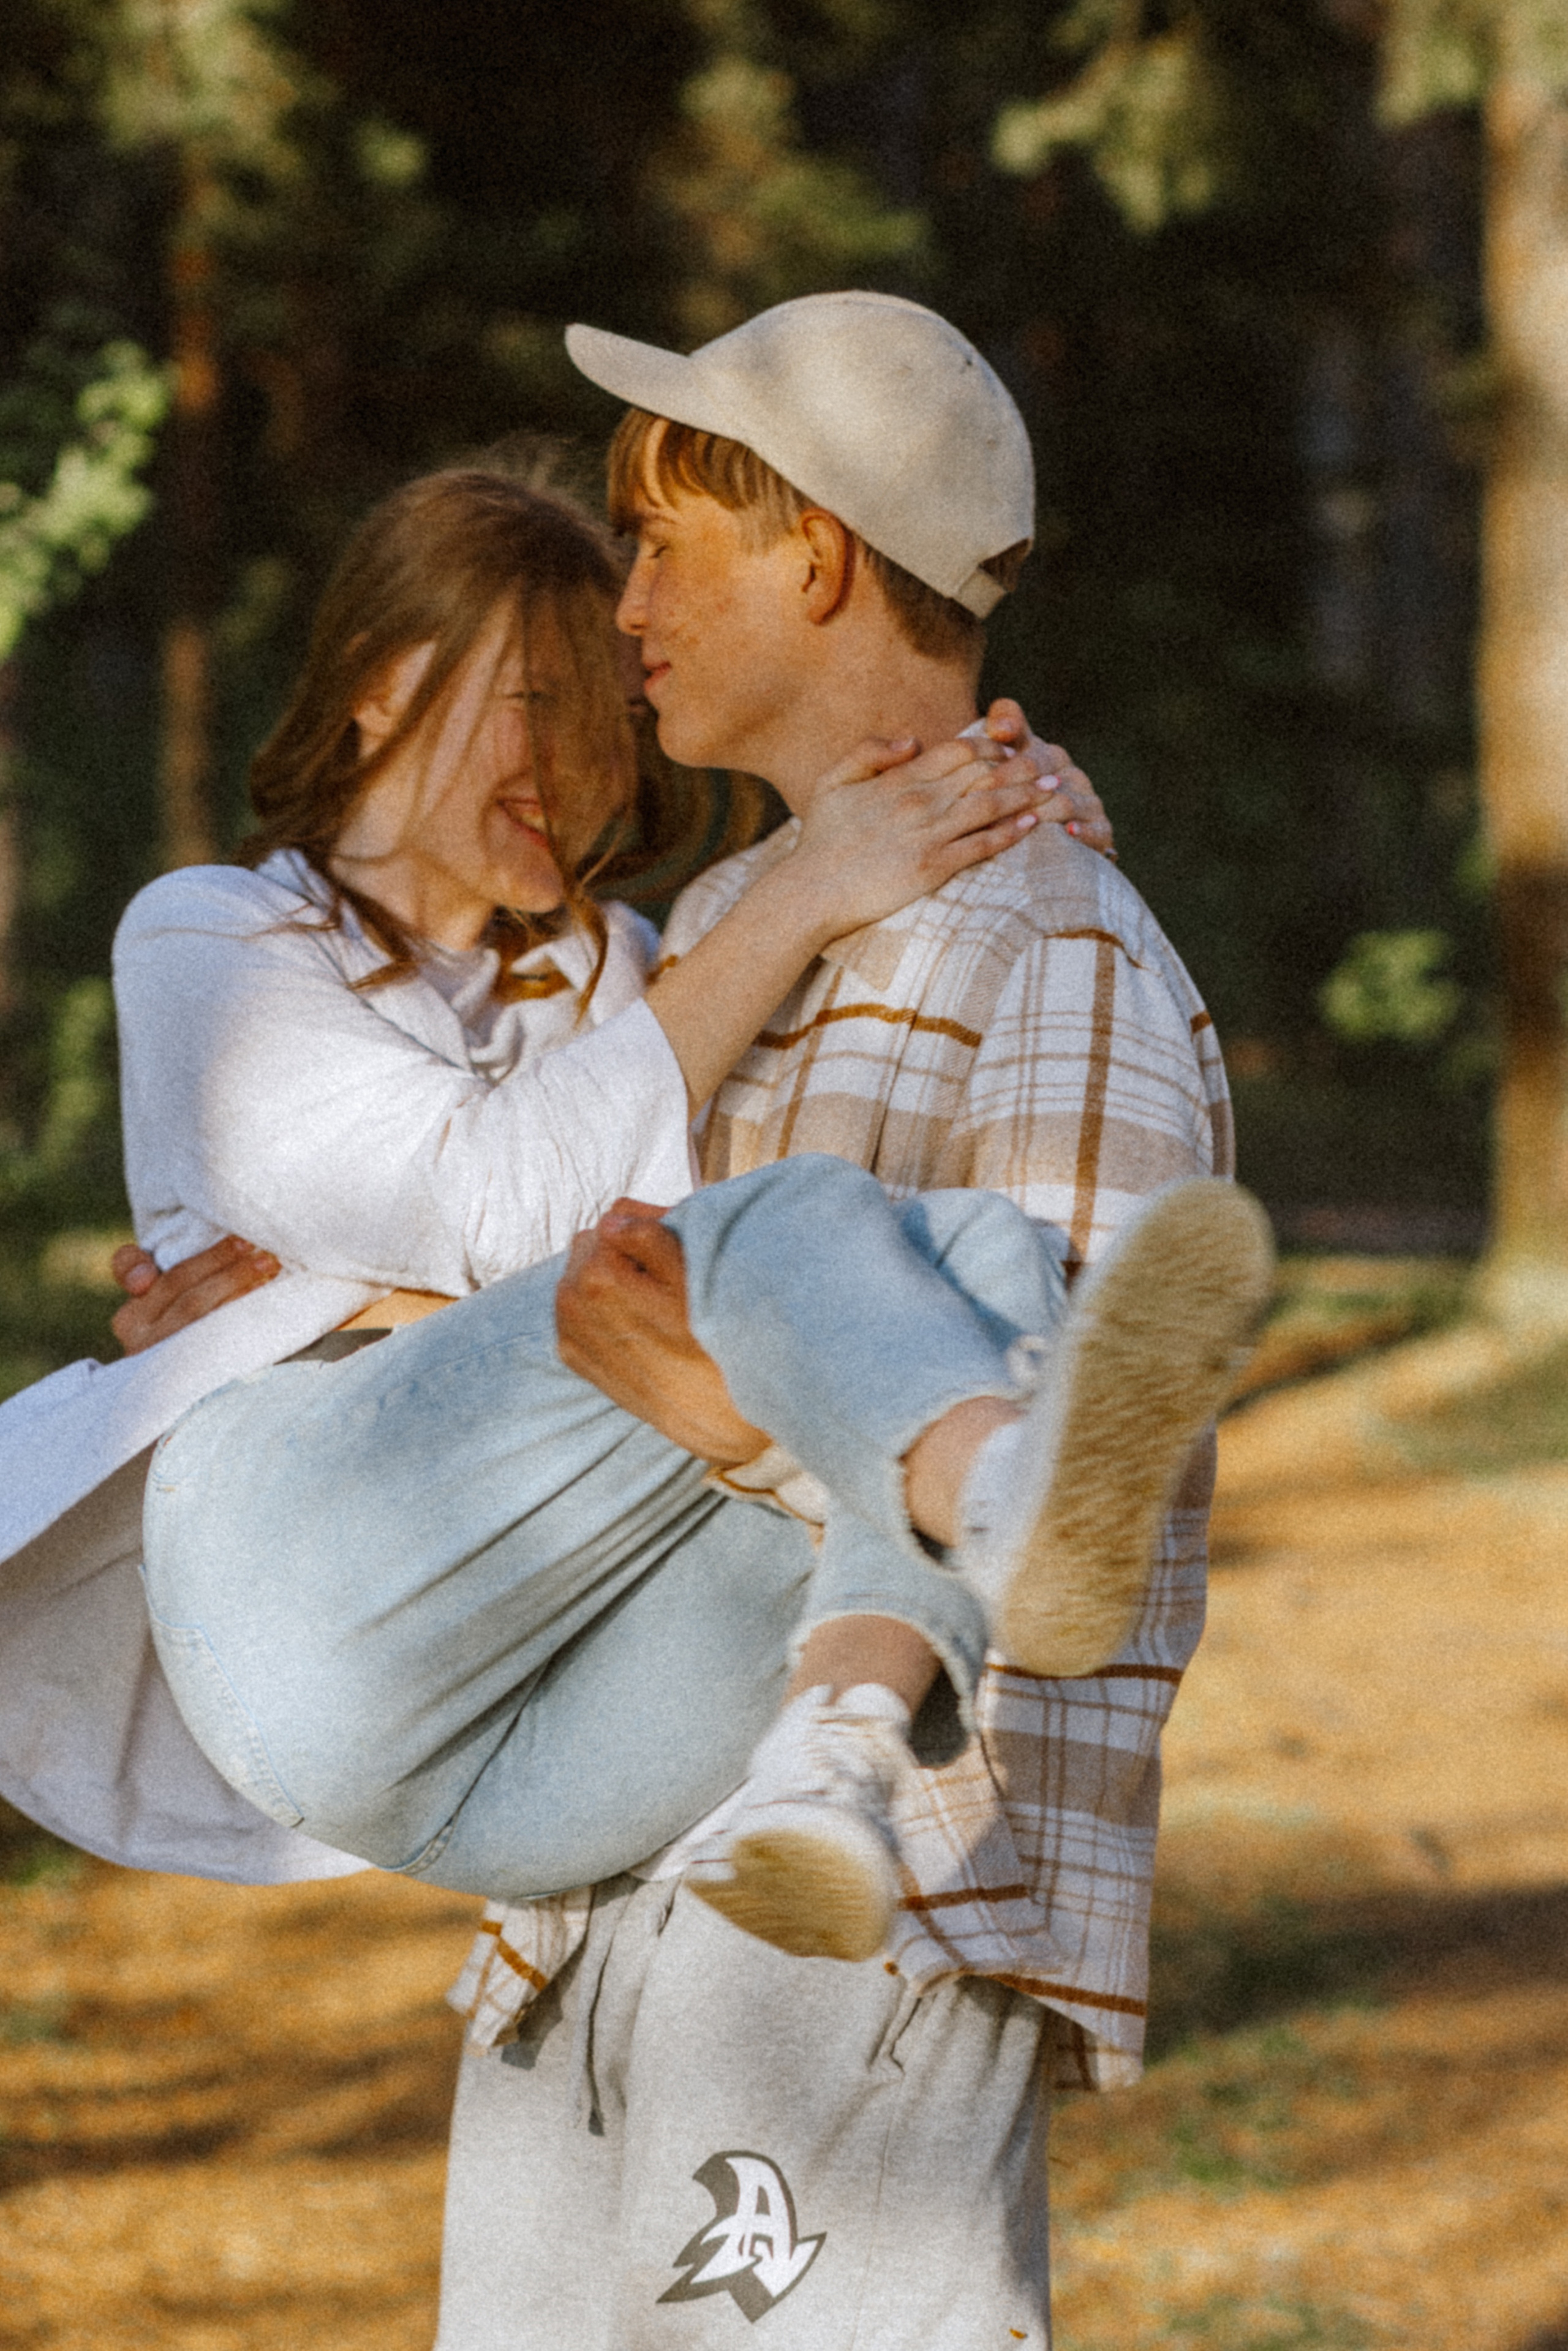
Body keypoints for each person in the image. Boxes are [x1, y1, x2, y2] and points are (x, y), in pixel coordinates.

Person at [114, 293, 1253, 2351]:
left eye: (662, 544)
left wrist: (736, 1429)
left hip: (871, 1910)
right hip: (582, 1893)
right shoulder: (709, 936)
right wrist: (306, 1309)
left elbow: (1111, 1479)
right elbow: (563, 1310)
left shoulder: (1053, 944)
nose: (628, 605)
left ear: (813, 552)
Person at [0, 461, 1095, 1886]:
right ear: (380, 680)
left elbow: (678, 1296)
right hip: (292, 1598)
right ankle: (1012, 1494)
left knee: (967, 1259)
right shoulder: (212, 937)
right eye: (539, 702)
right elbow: (511, 1210)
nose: (586, 770)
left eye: (614, 722)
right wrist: (808, 883)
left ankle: (836, 1750)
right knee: (788, 1233)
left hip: (514, 1747)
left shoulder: (625, 977)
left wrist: (1015, 804)